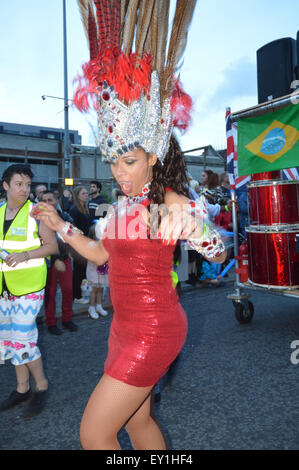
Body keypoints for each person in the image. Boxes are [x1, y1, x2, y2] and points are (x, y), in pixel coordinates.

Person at [32, 0, 226, 450]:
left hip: (154, 329)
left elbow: (219, 253)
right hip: (122, 327)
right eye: (114, 160)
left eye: (131, 160)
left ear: (153, 157)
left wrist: (198, 231)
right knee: (138, 425)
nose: (119, 171)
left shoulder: (168, 202)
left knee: (95, 433)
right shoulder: (123, 205)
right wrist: (60, 224)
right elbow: (102, 255)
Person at [0, 164, 57, 417]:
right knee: (10, 340)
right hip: (4, 289)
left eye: (27, 184)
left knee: (24, 339)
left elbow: (52, 247)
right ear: (6, 186)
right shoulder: (0, 211)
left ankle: (41, 386)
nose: (25, 189)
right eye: (19, 184)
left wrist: (25, 255)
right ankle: (22, 388)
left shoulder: (37, 212)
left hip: (30, 288)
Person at [42, 191, 78, 335]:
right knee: (49, 294)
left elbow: (73, 234)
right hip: (48, 262)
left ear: (57, 201)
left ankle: (67, 319)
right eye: (43, 200)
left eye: (50, 199)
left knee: (68, 290)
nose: (47, 202)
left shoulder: (65, 216)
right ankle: (51, 322)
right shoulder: (38, 219)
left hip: (64, 259)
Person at [69, 186, 93, 303]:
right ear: (77, 196)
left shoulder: (85, 208)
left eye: (86, 193)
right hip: (79, 245)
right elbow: (73, 229)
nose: (86, 195)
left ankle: (81, 293)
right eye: (83, 193)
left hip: (87, 244)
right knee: (78, 271)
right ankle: (76, 296)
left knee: (83, 270)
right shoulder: (74, 210)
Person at [86, 224, 109, 319]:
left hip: (102, 271)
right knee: (94, 289)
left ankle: (99, 306)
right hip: (94, 271)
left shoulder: (102, 243)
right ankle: (91, 307)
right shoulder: (90, 246)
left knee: (101, 288)